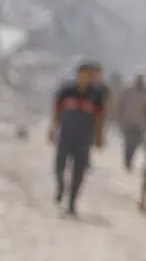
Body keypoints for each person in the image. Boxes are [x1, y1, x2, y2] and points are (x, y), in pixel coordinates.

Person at [51, 59, 107, 216]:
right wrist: (53, 128)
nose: (86, 77)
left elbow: (100, 118)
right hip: (66, 135)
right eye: (83, 74)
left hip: (84, 139)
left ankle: (72, 203)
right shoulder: (67, 90)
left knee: (79, 172)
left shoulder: (96, 95)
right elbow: (56, 110)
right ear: (78, 74)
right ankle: (61, 187)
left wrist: (100, 136)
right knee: (59, 166)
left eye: (89, 75)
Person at [118, 73, 146, 170]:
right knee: (129, 143)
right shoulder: (129, 92)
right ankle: (127, 160)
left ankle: (130, 160)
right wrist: (121, 118)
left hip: (140, 124)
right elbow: (121, 105)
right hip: (129, 122)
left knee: (136, 143)